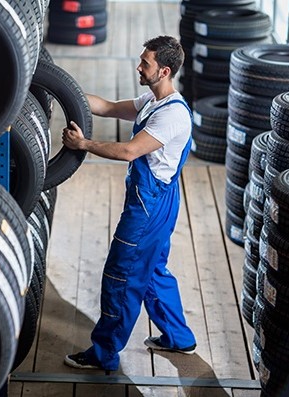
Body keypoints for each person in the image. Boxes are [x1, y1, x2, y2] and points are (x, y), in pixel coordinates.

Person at [61, 35, 196, 372]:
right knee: (152, 270)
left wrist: (84, 144)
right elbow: (105, 106)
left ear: (164, 71)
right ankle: (180, 338)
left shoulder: (172, 116)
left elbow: (128, 151)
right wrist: (62, 91)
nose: (139, 66)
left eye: (145, 63)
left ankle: (104, 353)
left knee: (121, 275)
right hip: (157, 200)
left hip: (149, 207)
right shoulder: (152, 100)